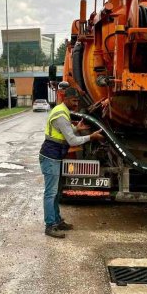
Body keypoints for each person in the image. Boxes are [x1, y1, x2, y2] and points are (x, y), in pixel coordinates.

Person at [39, 88, 103, 238]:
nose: (76, 104)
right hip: (50, 157)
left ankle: (57, 221)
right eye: (73, 101)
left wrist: (75, 128)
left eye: (77, 101)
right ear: (65, 99)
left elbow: (63, 130)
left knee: (56, 192)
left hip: (55, 156)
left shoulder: (62, 110)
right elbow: (72, 140)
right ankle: (50, 226)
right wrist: (91, 137)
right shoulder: (61, 114)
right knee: (50, 193)